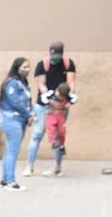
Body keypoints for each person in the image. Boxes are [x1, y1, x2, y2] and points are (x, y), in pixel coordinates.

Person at [26, 41, 76, 176]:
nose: (55, 59)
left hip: (61, 106)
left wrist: (67, 98)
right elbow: (40, 83)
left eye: (58, 56)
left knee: (59, 136)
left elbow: (71, 81)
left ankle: (57, 167)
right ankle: (29, 166)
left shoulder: (68, 63)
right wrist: (49, 97)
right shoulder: (43, 64)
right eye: (53, 56)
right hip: (44, 105)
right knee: (37, 135)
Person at [0, 57, 33, 191]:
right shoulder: (12, 83)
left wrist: (31, 113)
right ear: (17, 67)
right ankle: (10, 181)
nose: (27, 69)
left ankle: (5, 179)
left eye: (28, 67)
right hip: (12, 120)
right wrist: (28, 114)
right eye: (24, 67)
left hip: (20, 120)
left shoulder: (23, 83)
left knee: (10, 150)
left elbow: (28, 101)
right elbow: (15, 102)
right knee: (13, 150)